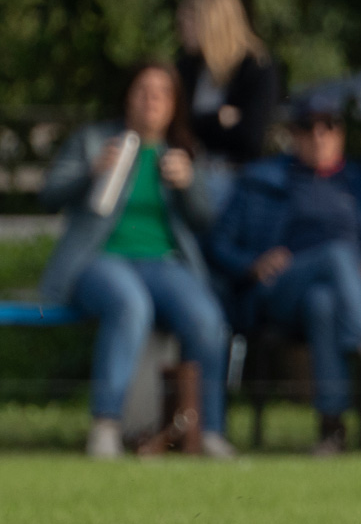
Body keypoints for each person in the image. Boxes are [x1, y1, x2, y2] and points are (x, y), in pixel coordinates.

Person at [207, 96, 361, 455]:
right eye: (308, 127)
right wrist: (254, 262)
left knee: (322, 302)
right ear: (293, 135)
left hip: (337, 296)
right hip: (277, 291)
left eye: (328, 126)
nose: (318, 135)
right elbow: (219, 244)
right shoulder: (263, 179)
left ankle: (331, 431)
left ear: (340, 134)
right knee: (338, 254)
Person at [39, 63, 233, 459]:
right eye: (143, 90)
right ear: (128, 96)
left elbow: (205, 219)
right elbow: (48, 195)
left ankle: (206, 430)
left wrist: (189, 183)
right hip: (98, 260)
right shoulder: (94, 141)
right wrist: (90, 173)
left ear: (174, 104)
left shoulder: (182, 153)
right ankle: (106, 426)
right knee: (130, 304)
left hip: (163, 263)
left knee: (206, 319)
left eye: (163, 92)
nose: (152, 99)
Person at [175, 0, 283, 179]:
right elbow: (175, 126)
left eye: (190, 19)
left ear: (214, 22)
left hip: (235, 178)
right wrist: (217, 119)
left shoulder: (257, 69)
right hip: (187, 174)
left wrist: (197, 125)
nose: (182, 28)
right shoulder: (187, 68)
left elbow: (249, 139)